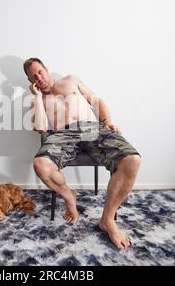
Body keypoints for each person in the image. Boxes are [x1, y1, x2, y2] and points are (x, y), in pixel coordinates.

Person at [24, 57, 141, 250]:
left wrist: (107, 120)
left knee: (131, 160)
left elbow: (96, 100)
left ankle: (108, 220)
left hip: (92, 128)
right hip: (63, 135)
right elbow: (42, 128)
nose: (39, 77)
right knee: (40, 165)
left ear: (46, 68)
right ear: (31, 82)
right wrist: (37, 98)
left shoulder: (71, 80)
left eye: (40, 72)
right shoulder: (37, 100)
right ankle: (70, 197)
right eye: (33, 76)